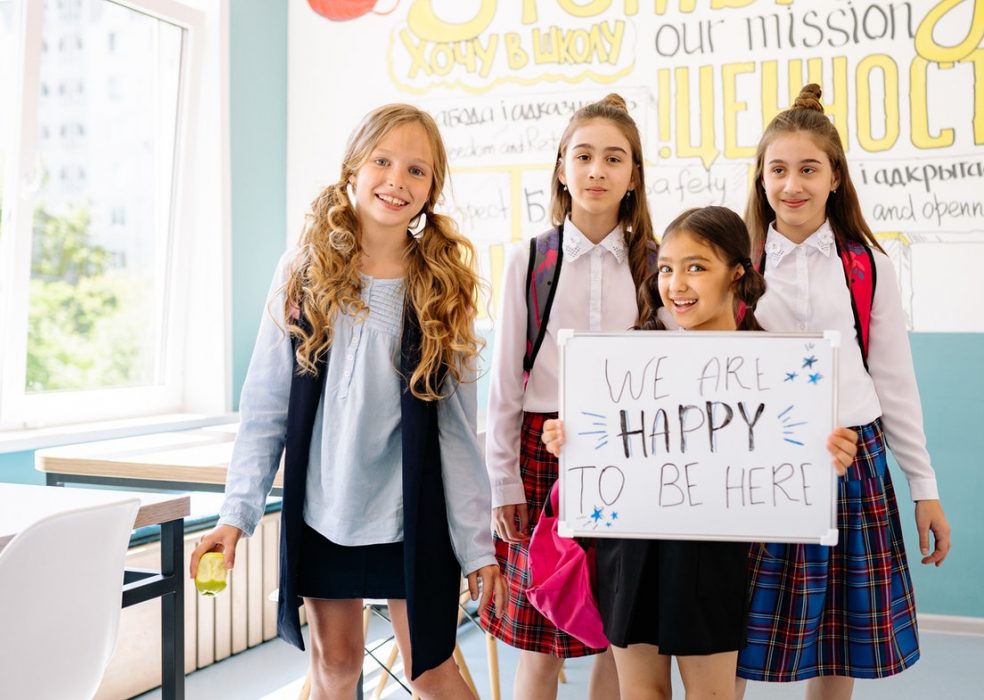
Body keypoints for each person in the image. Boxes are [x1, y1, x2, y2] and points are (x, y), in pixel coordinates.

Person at [188, 104, 504, 700]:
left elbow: (457, 431)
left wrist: (476, 546)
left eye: (417, 169)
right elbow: (265, 408)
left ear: (432, 188)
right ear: (352, 170)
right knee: (335, 669)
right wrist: (236, 515)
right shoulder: (303, 272)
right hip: (324, 513)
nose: (396, 180)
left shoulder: (443, 286)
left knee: (434, 670)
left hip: (414, 517)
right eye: (382, 161)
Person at [542, 206, 859, 700]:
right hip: (633, 544)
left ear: (736, 273)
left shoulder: (774, 366)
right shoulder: (631, 354)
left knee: (713, 695)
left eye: (696, 266)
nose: (677, 283)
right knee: (641, 692)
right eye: (666, 268)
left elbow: (796, 457)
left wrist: (830, 455)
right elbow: (596, 438)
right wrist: (567, 438)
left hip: (717, 549)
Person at [736, 84, 952, 700]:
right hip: (756, 467)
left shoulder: (867, 264)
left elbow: (895, 379)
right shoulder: (735, 262)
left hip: (851, 460)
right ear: (760, 178)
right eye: (777, 170)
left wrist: (924, 487)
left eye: (809, 169)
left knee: (839, 636)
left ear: (836, 178)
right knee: (735, 628)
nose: (792, 185)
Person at [480, 93, 658, 700]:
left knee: (618, 628)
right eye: (583, 156)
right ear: (562, 167)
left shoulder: (655, 265)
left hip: (630, 453)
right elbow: (505, 382)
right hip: (540, 451)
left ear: (633, 176)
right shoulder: (529, 259)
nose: (597, 171)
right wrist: (503, 482)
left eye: (614, 159)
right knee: (540, 632)